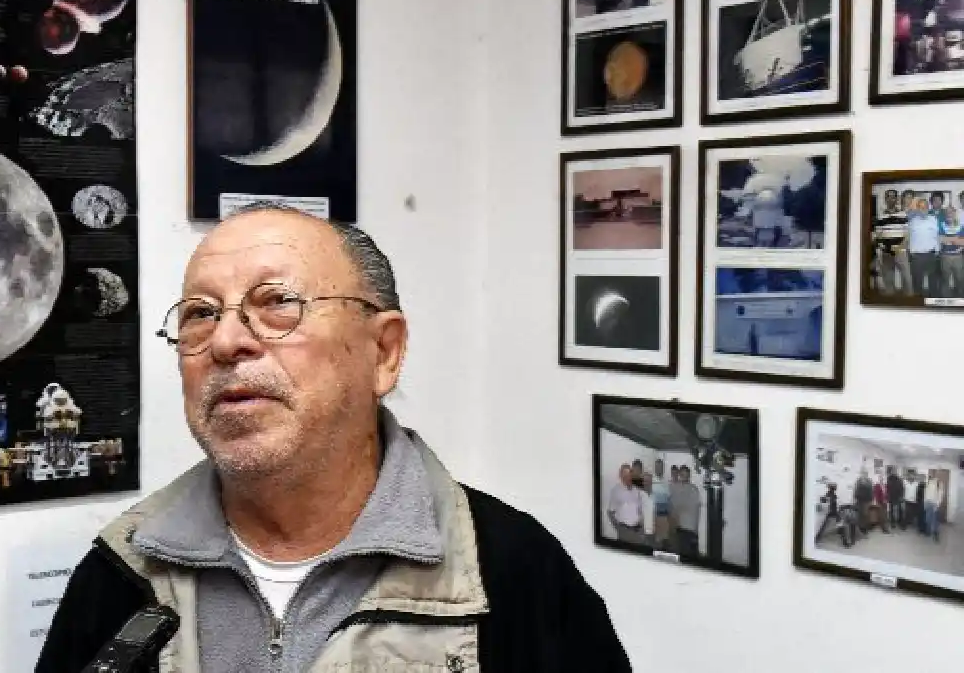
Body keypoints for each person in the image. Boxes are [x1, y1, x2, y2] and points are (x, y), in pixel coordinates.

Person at [36, 202, 631, 672]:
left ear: (384, 351)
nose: (225, 342)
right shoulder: (121, 574)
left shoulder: (512, 575)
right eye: (199, 313)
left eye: (277, 304)